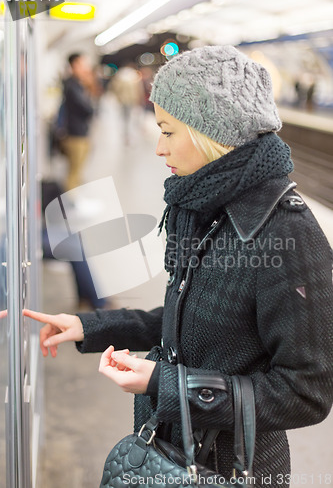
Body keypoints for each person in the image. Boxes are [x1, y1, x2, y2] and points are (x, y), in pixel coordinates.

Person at [23, 46, 333, 487]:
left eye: (168, 131)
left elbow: (307, 393)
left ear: (212, 132)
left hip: (233, 469)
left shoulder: (289, 234)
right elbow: (189, 321)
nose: (157, 147)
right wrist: (89, 327)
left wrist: (169, 385)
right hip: (176, 450)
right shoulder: (200, 206)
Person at [60, 53, 95, 191]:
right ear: (74, 65)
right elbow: (87, 109)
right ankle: (68, 202)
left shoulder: (78, 84)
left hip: (79, 131)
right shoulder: (71, 86)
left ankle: (72, 199)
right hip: (75, 133)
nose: (86, 68)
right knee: (74, 171)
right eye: (82, 64)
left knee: (77, 169)